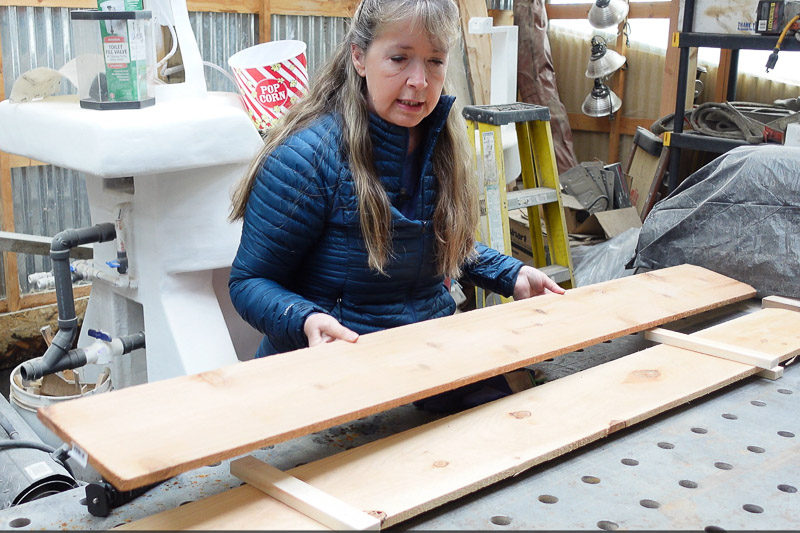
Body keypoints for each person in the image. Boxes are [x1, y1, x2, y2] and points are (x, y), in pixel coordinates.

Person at [229, 0, 565, 409]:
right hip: (326, 373)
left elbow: (438, 244)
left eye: (435, 62)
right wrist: (306, 321)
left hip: (423, 358)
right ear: (359, 56)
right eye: (399, 58)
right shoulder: (306, 159)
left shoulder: (441, 144)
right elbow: (248, 282)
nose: (419, 81)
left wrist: (510, 274)